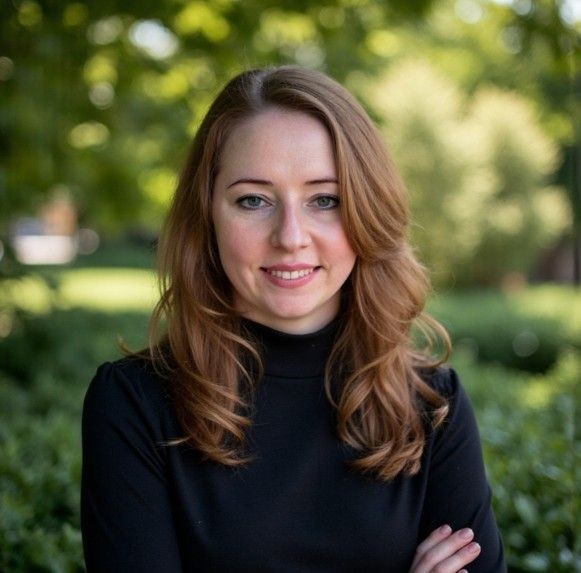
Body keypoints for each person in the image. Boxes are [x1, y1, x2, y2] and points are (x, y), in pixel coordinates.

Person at [81, 65, 506, 572]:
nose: (290, 236)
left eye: (325, 200)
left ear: (368, 212)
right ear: (207, 214)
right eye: (253, 200)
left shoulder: (432, 406)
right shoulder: (134, 403)